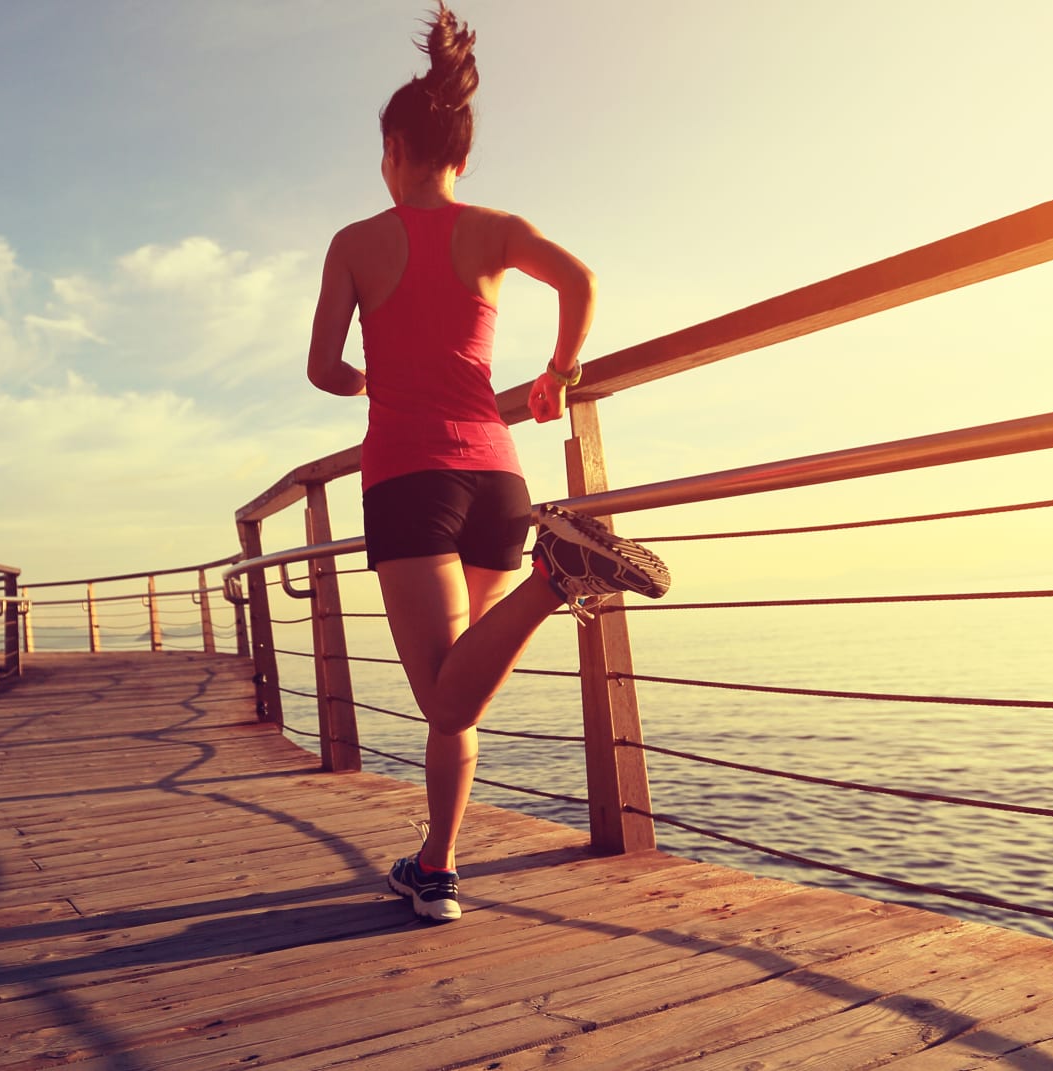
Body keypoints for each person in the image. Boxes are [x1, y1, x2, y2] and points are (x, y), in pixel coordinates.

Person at [304, 2, 672, 923]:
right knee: (460, 687)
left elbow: (321, 369)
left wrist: (365, 384)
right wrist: (559, 369)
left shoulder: (355, 244)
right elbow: (582, 280)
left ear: (392, 149)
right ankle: (435, 867)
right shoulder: (496, 228)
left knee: (438, 694)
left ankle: (559, 576)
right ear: (461, 156)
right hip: (498, 476)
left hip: (408, 476)